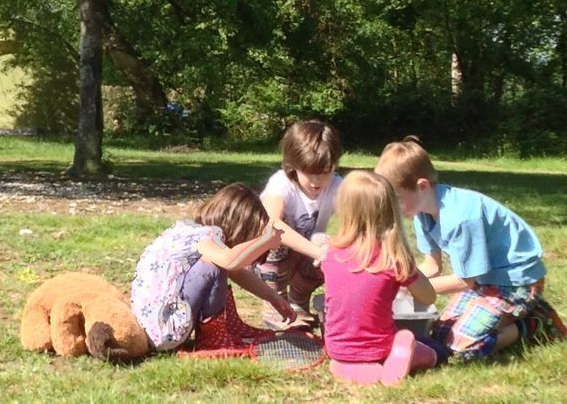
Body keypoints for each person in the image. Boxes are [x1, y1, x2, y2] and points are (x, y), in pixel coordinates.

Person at [375, 136, 566, 361]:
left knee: (461, 349)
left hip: (515, 283)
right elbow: (432, 266)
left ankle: (535, 323)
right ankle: (511, 317)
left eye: (396, 199)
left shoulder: (461, 218)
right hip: (483, 283)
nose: (392, 208)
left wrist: (411, 287)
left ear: (422, 186)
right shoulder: (421, 213)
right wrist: (397, 281)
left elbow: (465, 282)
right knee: (438, 334)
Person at [131, 183, 293, 352]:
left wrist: (272, 297)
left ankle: (220, 331)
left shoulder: (187, 231)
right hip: (167, 330)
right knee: (214, 267)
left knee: (218, 264)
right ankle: (213, 339)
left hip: (151, 327)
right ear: (239, 226)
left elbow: (235, 270)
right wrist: (265, 240)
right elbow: (230, 262)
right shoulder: (207, 237)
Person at [322, 169, 442, 385]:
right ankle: (407, 353)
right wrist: (410, 272)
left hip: (337, 347)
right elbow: (428, 297)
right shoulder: (393, 258)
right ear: (389, 211)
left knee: (345, 356)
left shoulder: (331, 253)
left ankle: (350, 367)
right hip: (380, 345)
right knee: (434, 349)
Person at [256, 120, 343, 328]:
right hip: (265, 257)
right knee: (275, 244)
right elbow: (271, 224)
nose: (317, 181)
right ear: (293, 166)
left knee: (331, 247)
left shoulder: (338, 186)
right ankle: (275, 305)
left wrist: (333, 249)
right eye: (309, 172)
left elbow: (360, 220)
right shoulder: (282, 184)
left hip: (304, 256)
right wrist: (317, 252)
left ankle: (297, 302)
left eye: (325, 172)